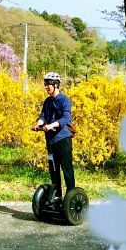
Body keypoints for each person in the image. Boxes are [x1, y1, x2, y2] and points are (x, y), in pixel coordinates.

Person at [32, 72, 75, 202]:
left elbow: (66, 118)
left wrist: (51, 126)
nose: (46, 87)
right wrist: (38, 124)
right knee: (53, 170)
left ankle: (71, 197)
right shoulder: (47, 101)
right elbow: (43, 115)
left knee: (66, 170)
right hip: (50, 141)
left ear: (56, 85)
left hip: (63, 140)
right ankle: (57, 196)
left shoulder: (65, 100)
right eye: (45, 84)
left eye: (48, 85)